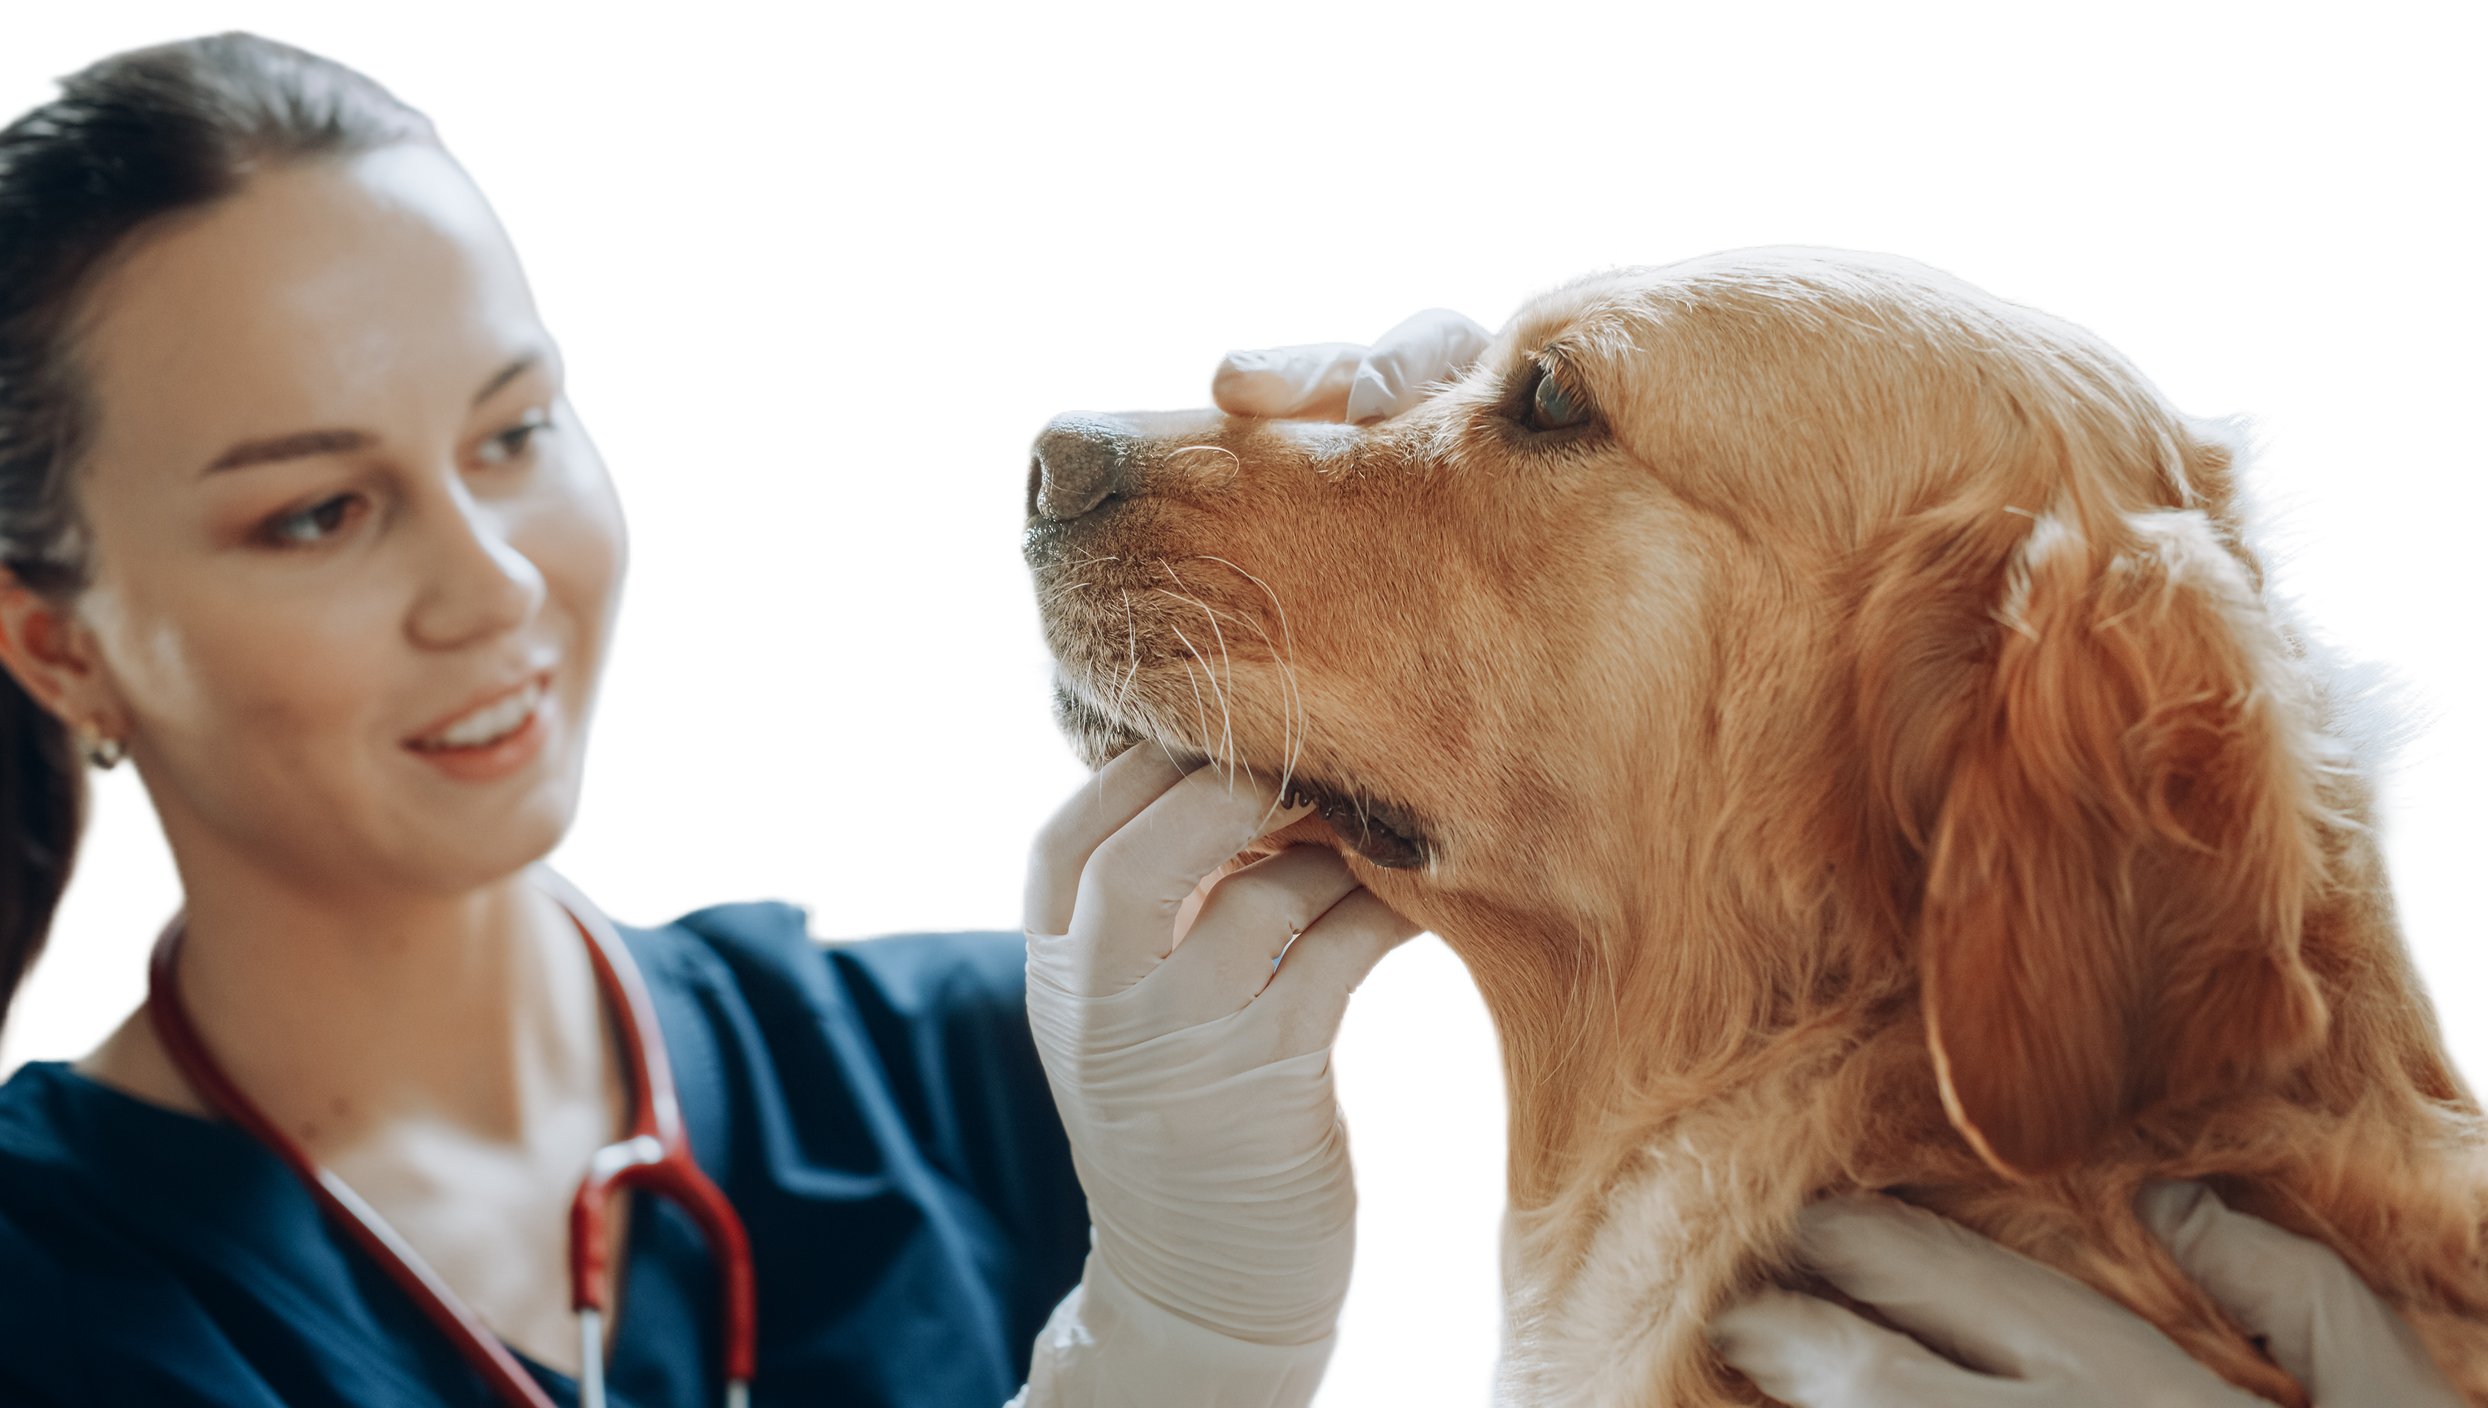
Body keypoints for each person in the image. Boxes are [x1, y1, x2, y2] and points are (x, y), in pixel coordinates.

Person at [0, 30, 2457, 1408]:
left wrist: (1371, 524)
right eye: (312, 513)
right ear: (61, 638)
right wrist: (1156, 1348)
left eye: (520, 430)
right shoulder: (64, 1305)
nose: (491, 578)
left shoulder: (982, 1060)